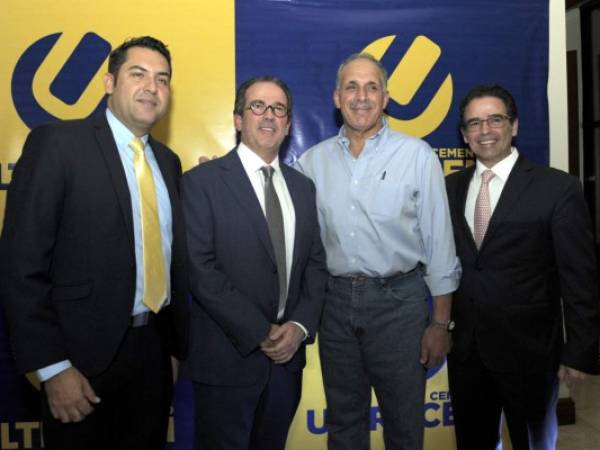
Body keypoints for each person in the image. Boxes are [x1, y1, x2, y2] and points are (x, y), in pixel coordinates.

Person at [0, 36, 189, 450]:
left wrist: (172, 353)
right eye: (137, 74)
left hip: (152, 357)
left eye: (162, 79)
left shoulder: (169, 163)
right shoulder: (58, 145)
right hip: (79, 365)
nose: (151, 87)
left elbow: (174, 265)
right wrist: (52, 368)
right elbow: (20, 266)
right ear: (108, 82)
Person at [295, 53, 461, 450]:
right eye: (351, 87)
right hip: (334, 307)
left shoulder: (417, 156)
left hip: (400, 306)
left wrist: (440, 325)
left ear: (386, 97)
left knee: (404, 428)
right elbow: (290, 233)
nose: (361, 96)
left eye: (372, 87)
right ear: (337, 97)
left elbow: (441, 246)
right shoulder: (311, 162)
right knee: (344, 426)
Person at [445, 84, 600, 450]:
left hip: (530, 353)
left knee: (532, 443)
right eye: (475, 123)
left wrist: (579, 350)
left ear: (514, 126)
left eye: (495, 120)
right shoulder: (449, 187)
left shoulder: (557, 188)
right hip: (467, 351)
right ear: (465, 135)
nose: (485, 130)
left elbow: (579, 277)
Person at [182, 76, 328, 450]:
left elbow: (314, 265)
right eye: (258, 106)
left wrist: (298, 326)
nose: (269, 116)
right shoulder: (201, 183)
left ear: (289, 124)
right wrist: (259, 331)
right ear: (237, 119)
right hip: (227, 360)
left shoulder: (303, 187)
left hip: (287, 362)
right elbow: (201, 269)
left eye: (279, 109)